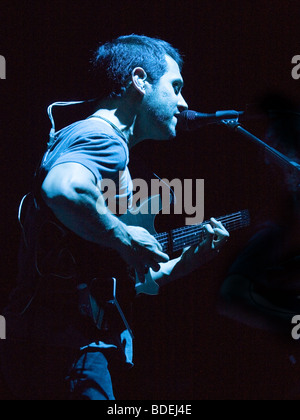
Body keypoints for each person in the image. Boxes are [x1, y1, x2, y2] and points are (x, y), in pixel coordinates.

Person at [0, 34, 229, 400]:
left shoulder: (103, 144)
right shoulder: (103, 137)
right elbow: (63, 188)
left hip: (56, 344)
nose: (184, 102)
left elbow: (114, 276)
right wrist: (124, 235)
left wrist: (185, 263)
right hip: (65, 347)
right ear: (140, 80)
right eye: (176, 86)